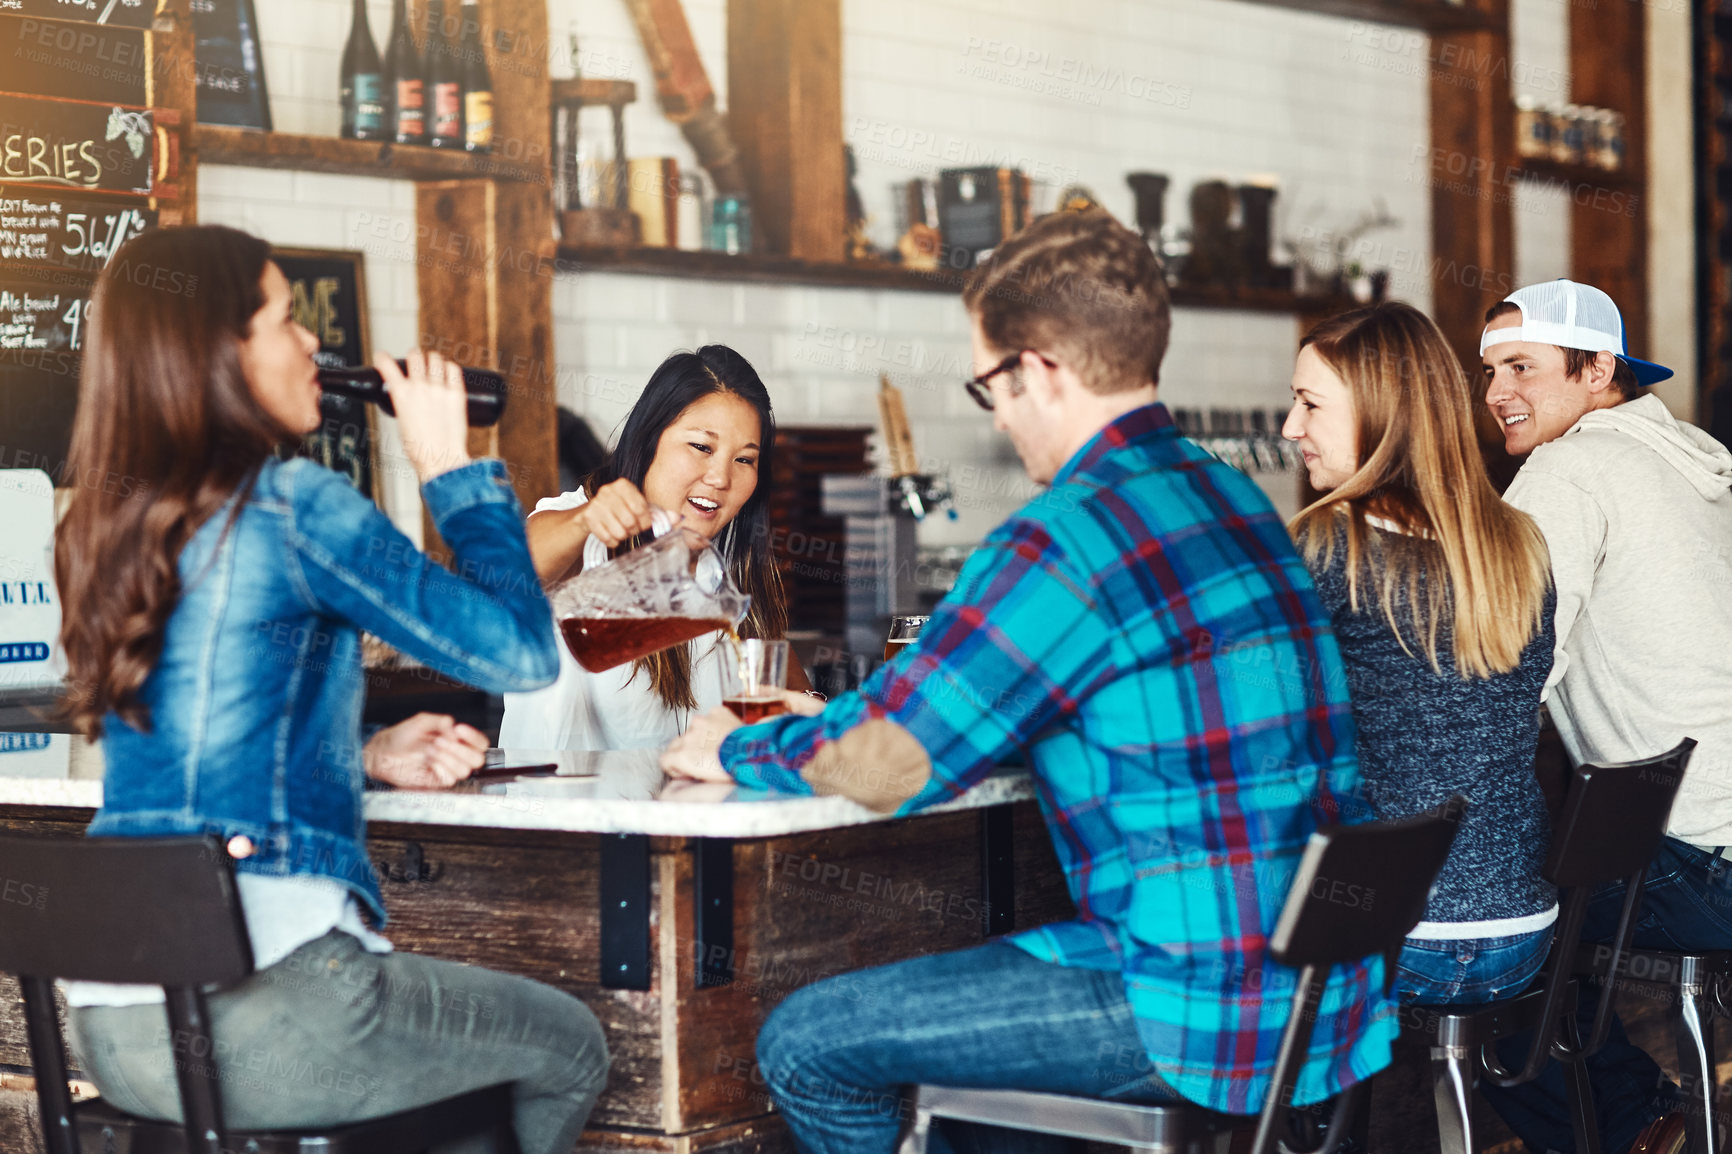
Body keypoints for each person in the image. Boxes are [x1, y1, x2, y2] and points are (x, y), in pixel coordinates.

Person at [660, 208, 1396, 1153]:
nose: (998, 417)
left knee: (805, 1041)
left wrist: (736, 743)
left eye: (989, 387)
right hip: (1317, 994)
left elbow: (887, 762)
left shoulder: (1067, 536)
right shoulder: (1231, 495)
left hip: (1188, 1004)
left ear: (1039, 368)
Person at [53, 225, 608, 1153]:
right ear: (220, 349)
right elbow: (520, 654)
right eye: (284, 320)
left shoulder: (99, 527)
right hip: (269, 1024)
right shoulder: (298, 508)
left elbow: (197, 743)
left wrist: (360, 757)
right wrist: (449, 466)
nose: (314, 344)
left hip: (116, 1031)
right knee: (572, 1046)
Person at [1478, 278, 1731, 1154]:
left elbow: (1504, 665)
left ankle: (1628, 1126)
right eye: (1489, 371)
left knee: (1484, 931)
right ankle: (1643, 1115)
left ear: (1596, 372)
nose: (1496, 393)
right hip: (1719, 844)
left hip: (1700, 861)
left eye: (1522, 367)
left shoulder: (1569, 468)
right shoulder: (1690, 461)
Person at [1281, 302, 1557, 1006]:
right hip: (1524, 935)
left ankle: (1290, 1115)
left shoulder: (1324, 540)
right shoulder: (1519, 542)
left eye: (1310, 405)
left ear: (1378, 412)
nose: (1291, 428)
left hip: (1397, 938)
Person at [499, 346, 805, 751]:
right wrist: (587, 520)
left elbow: (771, 659)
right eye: (701, 447)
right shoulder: (581, 526)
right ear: (649, 440)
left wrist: (815, 712)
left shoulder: (726, 565)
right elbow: (511, 575)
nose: (720, 477)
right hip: (567, 809)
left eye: (745, 460)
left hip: (691, 810)